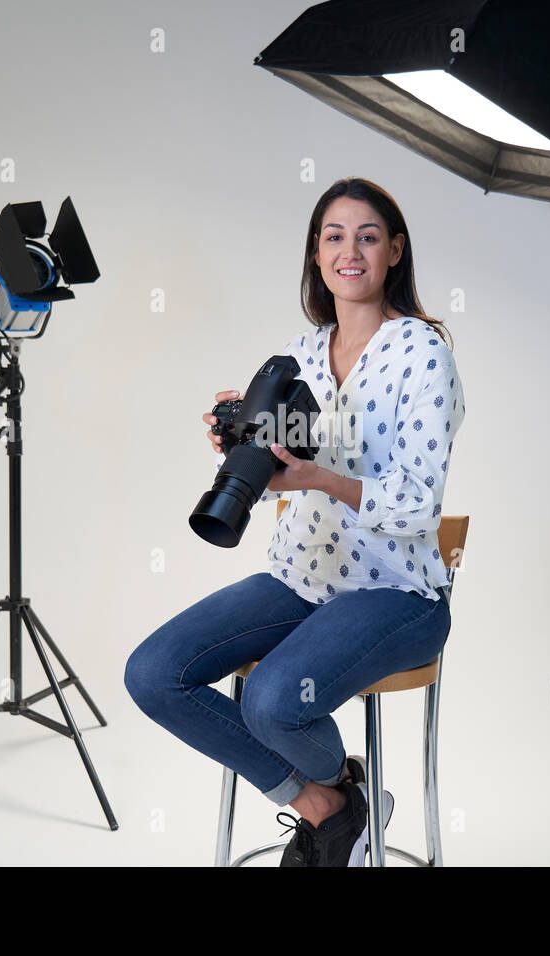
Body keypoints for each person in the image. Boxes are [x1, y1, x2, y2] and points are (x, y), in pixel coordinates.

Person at [124, 177, 466, 867]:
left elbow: (417, 504)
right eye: (334, 237)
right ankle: (332, 804)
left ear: (394, 251)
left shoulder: (424, 354)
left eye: (368, 237)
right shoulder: (301, 353)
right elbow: (288, 480)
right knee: (154, 673)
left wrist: (315, 476)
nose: (351, 251)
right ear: (316, 253)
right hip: (301, 580)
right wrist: (249, 445)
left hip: (396, 593)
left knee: (274, 699)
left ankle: (333, 810)